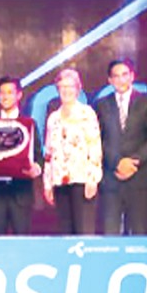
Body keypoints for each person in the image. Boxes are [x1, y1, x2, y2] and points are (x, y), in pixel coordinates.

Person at [94, 59, 147, 235]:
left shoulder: (145, 101)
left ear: (132, 76)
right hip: (111, 178)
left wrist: (134, 162)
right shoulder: (101, 104)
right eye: (116, 76)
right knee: (110, 234)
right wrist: (117, 162)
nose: (121, 80)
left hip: (139, 178)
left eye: (125, 75)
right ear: (109, 80)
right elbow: (96, 140)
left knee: (140, 233)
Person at [0, 76, 43, 235]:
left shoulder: (28, 124)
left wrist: (36, 169)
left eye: (10, 92)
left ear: (19, 95)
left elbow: (39, 156)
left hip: (20, 193)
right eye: (2, 93)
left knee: (23, 243)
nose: (5, 96)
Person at [42, 68, 102, 235]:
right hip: (60, 181)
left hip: (82, 180)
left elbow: (95, 147)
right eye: (62, 87)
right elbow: (49, 152)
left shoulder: (87, 113)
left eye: (70, 86)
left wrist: (93, 179)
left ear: (78, 88)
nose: (66, 90)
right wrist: (47, 183)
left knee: (83, 231)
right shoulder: (53, 118)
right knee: (65, 231)